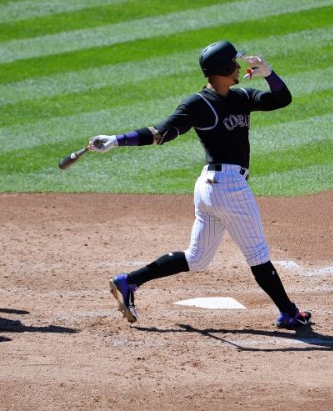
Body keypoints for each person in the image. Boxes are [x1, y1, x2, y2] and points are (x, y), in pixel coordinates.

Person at [88, 40, 312, 329]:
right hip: (227, 186)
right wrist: (117, 140)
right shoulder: (198, 104)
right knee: (257, 254)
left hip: (210, 187)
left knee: (197, 258)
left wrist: (268, 73)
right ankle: (289, 313)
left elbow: (281, 100)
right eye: (234, 62)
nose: (239, 65)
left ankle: (129, 281)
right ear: (224, 68)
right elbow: (161, 133)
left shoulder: (241, 96)